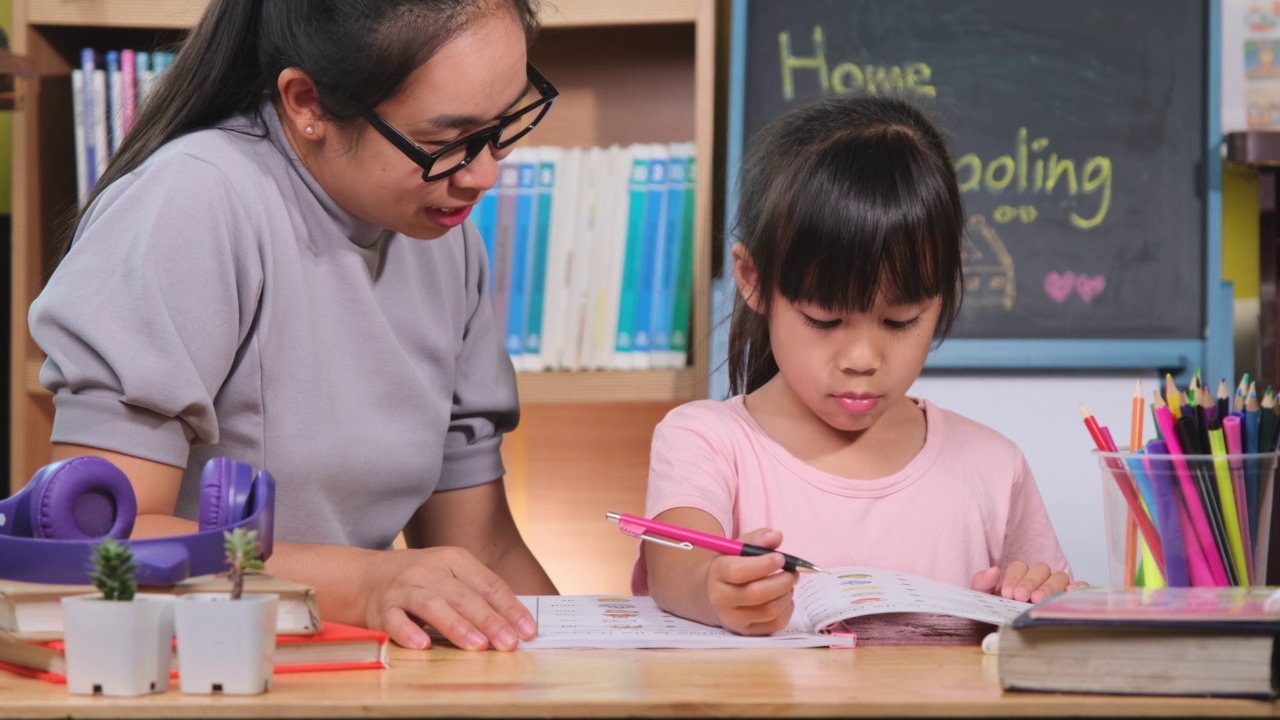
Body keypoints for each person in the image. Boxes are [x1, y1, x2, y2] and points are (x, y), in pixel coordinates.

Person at [28, 0, 559, 651]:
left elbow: (484, 549)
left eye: (505, 125)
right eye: (443, 140)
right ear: (306, 103)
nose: (484, 174)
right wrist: (367, 584)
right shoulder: (195, 200)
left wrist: (590, 662)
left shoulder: (443, 238)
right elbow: (99, 546)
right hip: (193, 668)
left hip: (360, 673)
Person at [634, 94, 1082, 636]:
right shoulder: (706, 442)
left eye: (900, 322)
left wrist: (1037, 600)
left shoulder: (994, 466)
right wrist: (716, 587)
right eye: (824, 320)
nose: (863, 360)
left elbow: (1057, 618)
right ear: (752, 279)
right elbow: (674, 567)